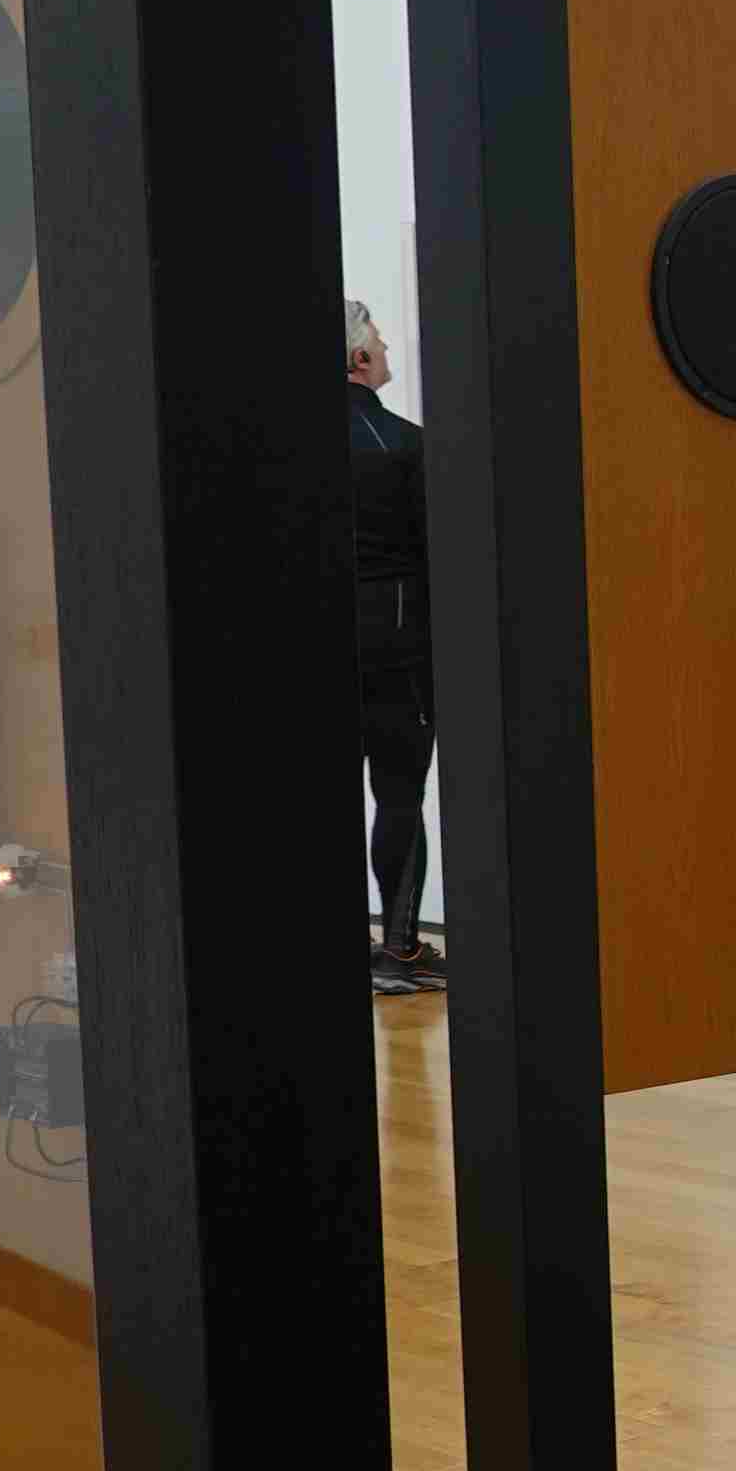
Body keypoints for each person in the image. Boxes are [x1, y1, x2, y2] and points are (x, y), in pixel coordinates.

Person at [343, 301, 438, 984]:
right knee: (400, 795)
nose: (385, 347)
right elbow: (440, 553)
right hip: (401, 652)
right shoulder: (406, 445)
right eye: (377, 339)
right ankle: (400, 952)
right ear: (359, 359)